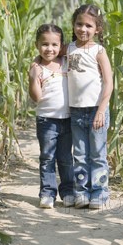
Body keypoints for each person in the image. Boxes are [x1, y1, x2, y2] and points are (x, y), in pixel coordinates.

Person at [67, 4, 113, 209]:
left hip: (97, 111)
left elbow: (109, 82)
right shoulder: (68, 48)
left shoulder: (99, 51)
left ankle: (100, 193)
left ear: (98, 29)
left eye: (88, 25)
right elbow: (47, 56)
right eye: (79, 24)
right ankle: (81, 192)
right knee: (79, 154)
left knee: (97, 154)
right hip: (76, 110)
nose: (83, 29)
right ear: (73, 24)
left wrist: (102, 110)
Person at [29, 24, 75, 209]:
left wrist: (64, 50)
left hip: (68, 118)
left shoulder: (66, 61)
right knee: (47, 157)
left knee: (65, 158)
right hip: (46, 119)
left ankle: (68, 192)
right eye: (44, 44)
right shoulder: (37, 67)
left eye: (54, 45)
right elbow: (37, 97)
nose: (50, 49)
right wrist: (33, 78)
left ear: (61, 45)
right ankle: (47, 193)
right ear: (37, 45)